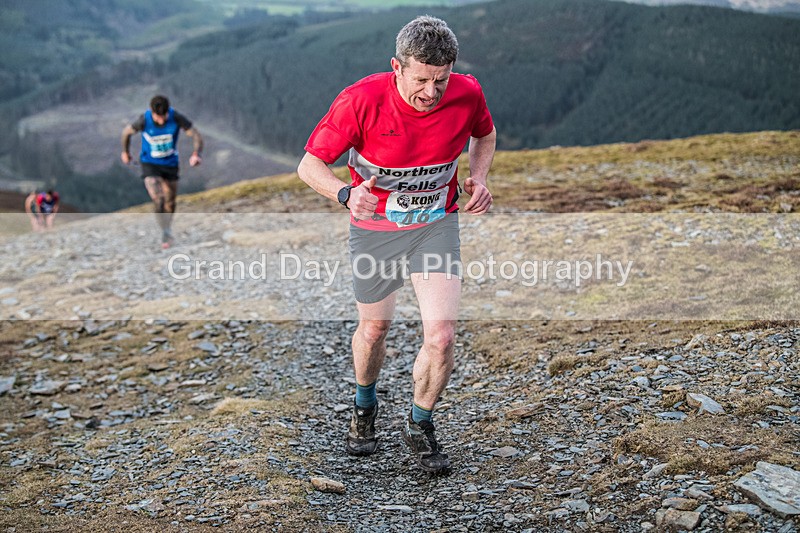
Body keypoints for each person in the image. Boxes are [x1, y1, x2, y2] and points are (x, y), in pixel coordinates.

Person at [297, 15, 496, 474]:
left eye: (440, 80)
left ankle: (419, 424)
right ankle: (364, 406)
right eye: (421, 80)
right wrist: (346, 193)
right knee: (374, 331)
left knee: (441, 336)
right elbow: (310, 165)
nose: (431, 92)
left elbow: (484, 134)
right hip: (376, 230)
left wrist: (479, 178)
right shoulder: (360, 100)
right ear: (397, 67)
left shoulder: (467, 92)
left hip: (436, 225)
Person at [121, 95, 203, 249]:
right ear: (152, 112)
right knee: (158, 198)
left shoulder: (176, 117)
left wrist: (196, 154)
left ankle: (167, 227)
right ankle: (164, 232)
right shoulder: (144, 120)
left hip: (170, 163)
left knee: (170, 201)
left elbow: (196, 134)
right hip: (150, 163)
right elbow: (126, 133)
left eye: (164, 117)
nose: (161, 121)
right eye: (158, 118)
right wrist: (125, 152)